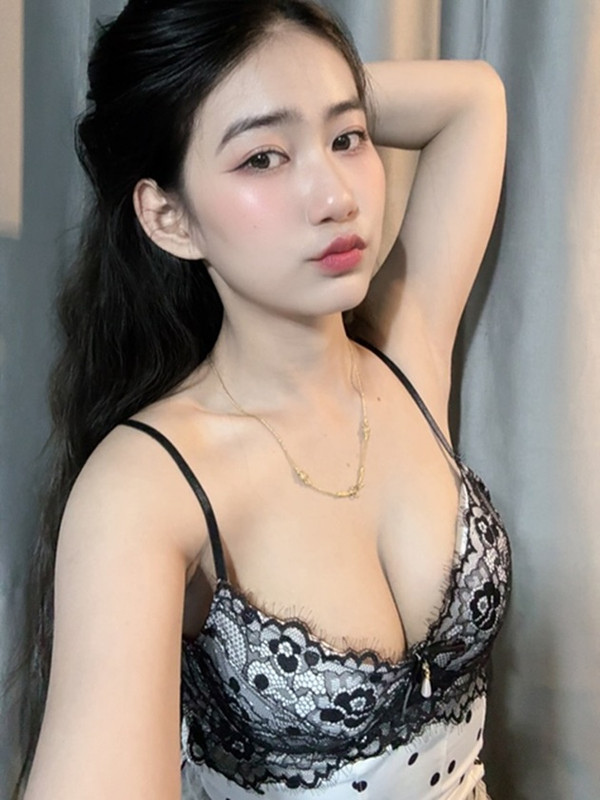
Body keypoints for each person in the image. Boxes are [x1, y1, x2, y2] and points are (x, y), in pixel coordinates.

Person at [18, 1, 510, 798]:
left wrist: (293, 92)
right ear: (169, 217)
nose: (336, 196)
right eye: (263, 159)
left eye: (347, 140)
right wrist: (189, 109)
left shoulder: (404, 353)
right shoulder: (147, 486)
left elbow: (475, 99)